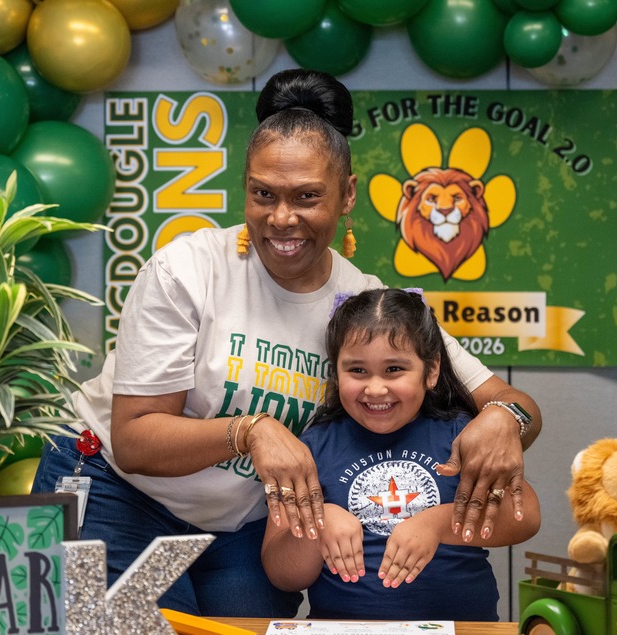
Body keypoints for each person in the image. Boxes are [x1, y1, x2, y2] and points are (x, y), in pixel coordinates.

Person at [31, 68, 542, 617]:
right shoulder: (187, 269)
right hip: (116, 490)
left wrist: (503, 420)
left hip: (239, 526)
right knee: (137, 630)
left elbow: (517, 406)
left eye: (306, 197)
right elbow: (134, 440)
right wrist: (252, 431)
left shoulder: (362, 305)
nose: (281, 218)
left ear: (347, 195)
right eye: (263, 194)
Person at [261, 288, 541, 621]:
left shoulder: (462, 434)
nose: (375, 388)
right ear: (335, 373)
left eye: (394, 369)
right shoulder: (314, 445)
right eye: (357, 371)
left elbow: (527, 516)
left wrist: (438, 524)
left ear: (432, 370)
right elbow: (282, 574)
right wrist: (317, 525)